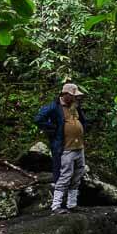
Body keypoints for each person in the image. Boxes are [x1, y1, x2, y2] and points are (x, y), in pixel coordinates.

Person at [35, 82, 89, 213]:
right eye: (73, 95)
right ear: (65, 95)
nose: (76, 98)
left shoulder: (75, 106)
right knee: (65, 175)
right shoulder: (54, 107)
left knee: (77, 174)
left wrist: (82, 128)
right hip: (66, 148)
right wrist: (53, 130)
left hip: (78, 147)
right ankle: (56, 206)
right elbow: (38, 119)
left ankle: (72, 204)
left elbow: (82, 120)